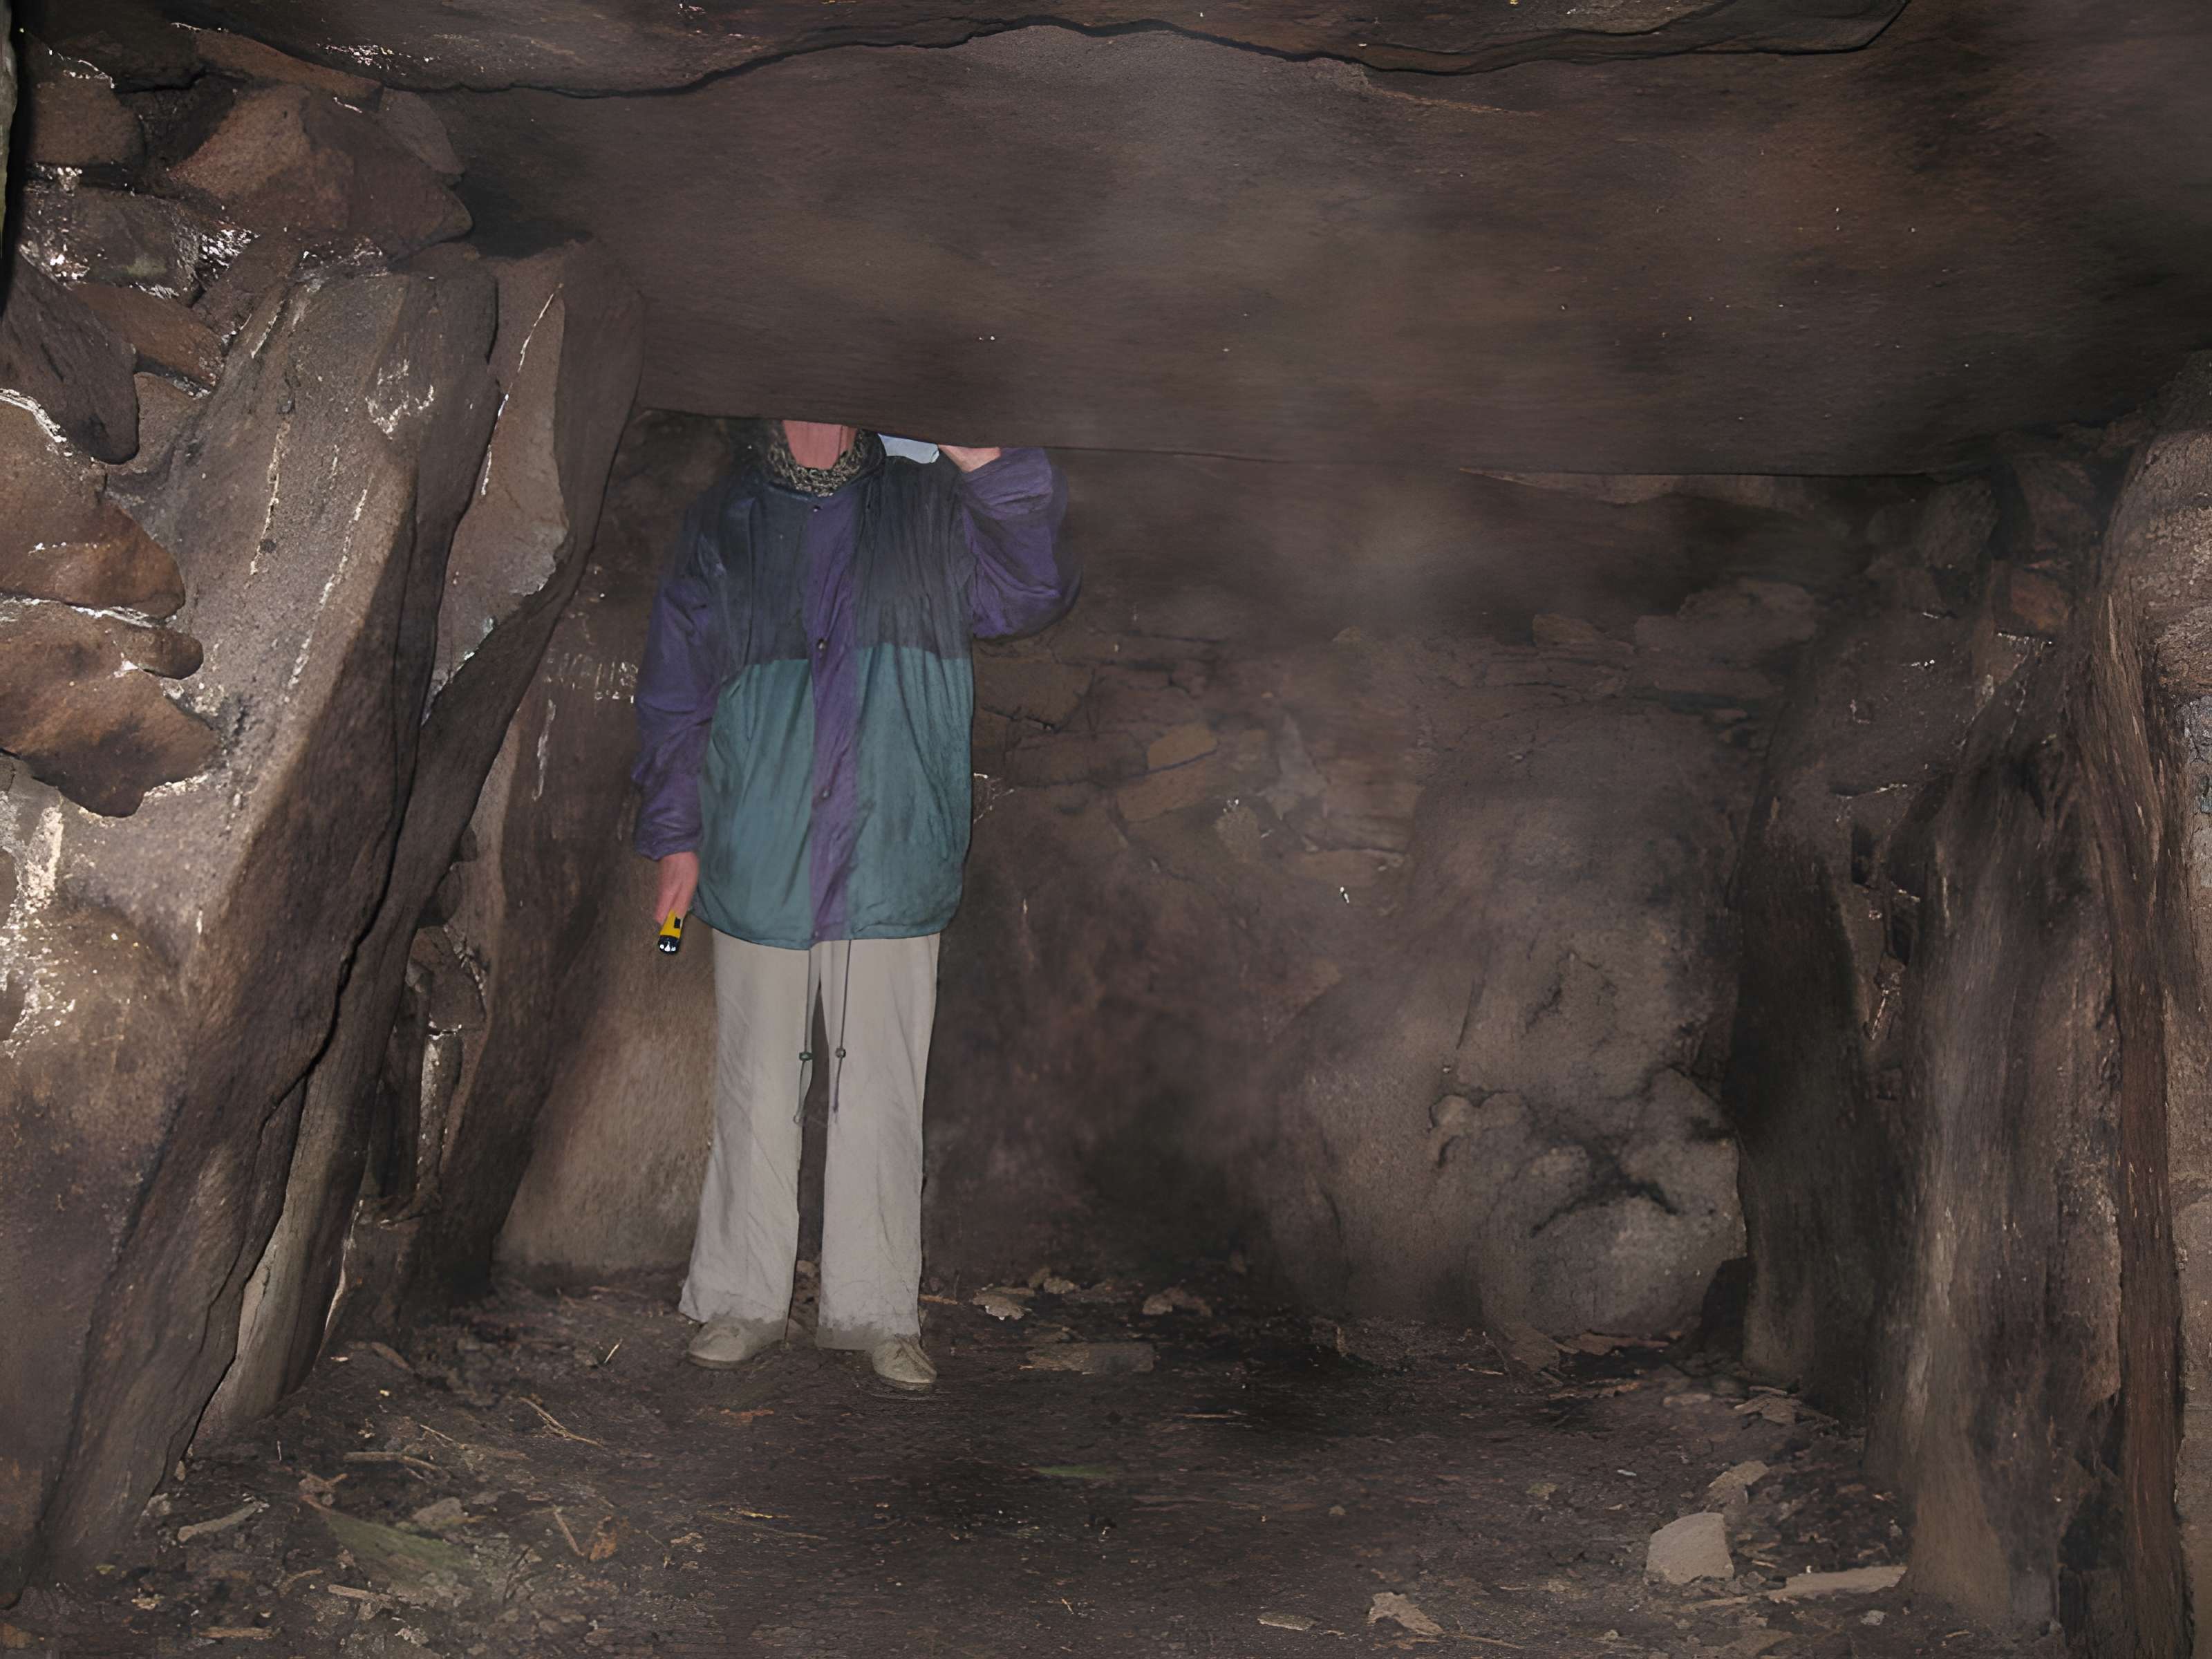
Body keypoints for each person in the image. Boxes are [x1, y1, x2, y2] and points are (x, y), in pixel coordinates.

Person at [630, 420, 1074, 1391]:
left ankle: (876, 1312)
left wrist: (990, 464)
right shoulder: (726, 521)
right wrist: (675, 836)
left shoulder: (926, 508)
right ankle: (740, 1299)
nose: (819, 416)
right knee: (755, 1082)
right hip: (762, 845)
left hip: (891, 847)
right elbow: (675, 692)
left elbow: (1031, 593)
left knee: (882, 1090)